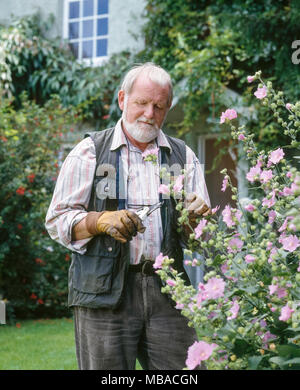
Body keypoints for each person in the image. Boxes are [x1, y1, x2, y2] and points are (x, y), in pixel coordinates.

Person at [45, 62, 211, 370]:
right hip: (104, 292)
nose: (150, 113)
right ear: (123, 100)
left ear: (168, 107)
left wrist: (197, 222)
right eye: (141, 103)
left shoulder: (182, 156)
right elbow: (56, 221)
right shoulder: (89, 152)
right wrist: (97, 221)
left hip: (167, 290)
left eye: (159, 106)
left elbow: (202, 240)